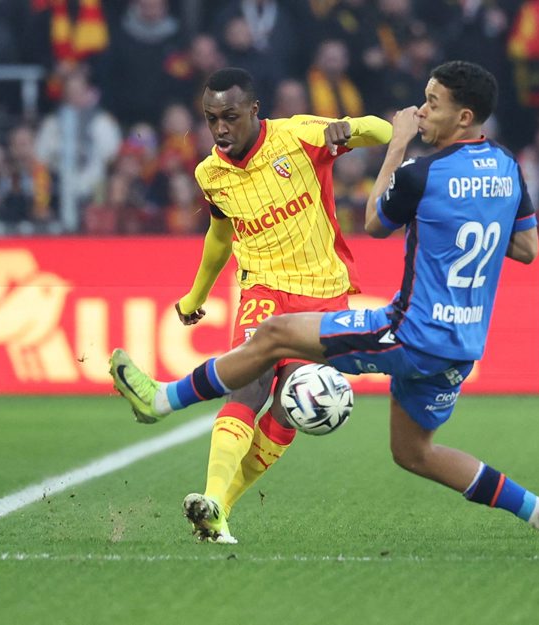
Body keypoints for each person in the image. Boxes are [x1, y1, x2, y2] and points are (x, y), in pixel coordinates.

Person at [110, 61, 539, 558]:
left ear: (463, 117)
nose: (421, 111)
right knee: (414, 453)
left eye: (432, 103)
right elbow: (526, 248)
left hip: (408, 330)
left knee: (272, 336)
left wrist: (398, 143)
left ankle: (161, 400)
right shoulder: (507, 166)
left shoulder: (424, 174)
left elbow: (376, 221)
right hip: (461, 344)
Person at [167, 67, 392, 544]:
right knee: (246, 389)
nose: (220, 128)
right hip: (263, 292)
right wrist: (195, 296)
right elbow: (220, 237)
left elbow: (385, 132)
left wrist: (350, 128)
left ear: (254, 110)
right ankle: (211, 497)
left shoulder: (300, 136)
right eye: (211, 119)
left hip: (322, 293)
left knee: (291, 407)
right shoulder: (210, 173)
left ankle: (221, 509)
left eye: (230, 116)